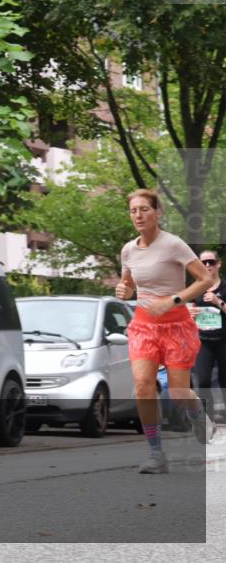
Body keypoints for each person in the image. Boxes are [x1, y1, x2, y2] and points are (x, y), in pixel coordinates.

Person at [114, 189, 215, 474]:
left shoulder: (173, 244)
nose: (138, 215)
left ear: (158, 213)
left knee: (180, 392)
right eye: (134, 210)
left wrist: (174, 299)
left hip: (176, 325)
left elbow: (205, 279)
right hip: (144, 326)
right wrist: (124, 290)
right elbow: (128, 285)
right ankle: (156, 453)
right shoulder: (128, 250)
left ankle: (199, 417)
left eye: (145, 209)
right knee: (143, 386)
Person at [192, 250, 226, 421]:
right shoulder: (196, 288)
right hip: (203, 341)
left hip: (223, 341)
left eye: (211, 262)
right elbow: (185, 313)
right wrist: (190, 314)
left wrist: (217, 302)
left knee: (224, 381)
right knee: (203, 381)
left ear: (218, 264)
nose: (207, 266)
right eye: (203, 262)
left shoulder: (225, 287)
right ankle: (208, 420)